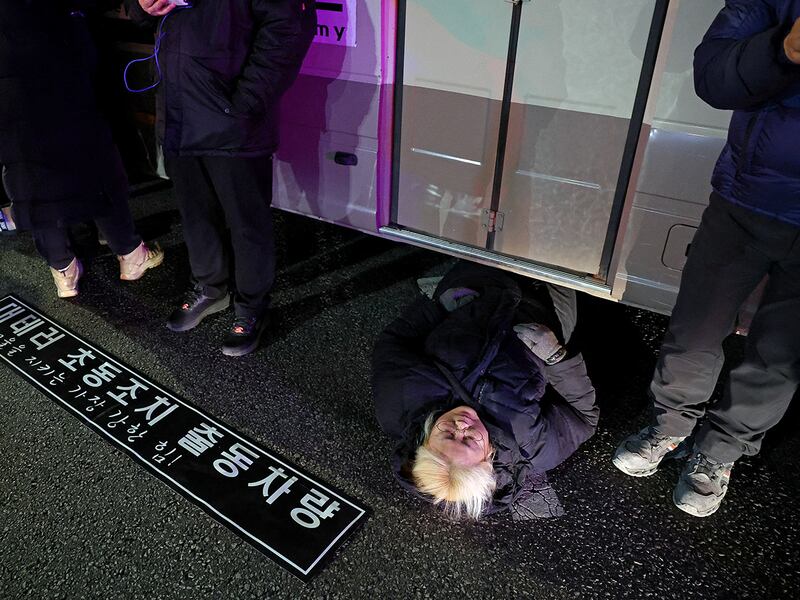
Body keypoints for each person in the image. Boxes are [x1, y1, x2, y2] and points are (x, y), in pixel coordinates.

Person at [613, 1, 800, 517]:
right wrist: (782, 48)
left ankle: (720, 453)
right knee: (694, 330)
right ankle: (670, 427)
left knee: (781, 357)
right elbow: (713, 79)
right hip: (744, 198)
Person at [127, 0, 317, 356]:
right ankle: (209, 288)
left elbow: (289, 27)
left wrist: (244, 105)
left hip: (232, 119)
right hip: (180, 111)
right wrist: (140, 6)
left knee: (247, 222)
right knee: (195, 214)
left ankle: (252, 306)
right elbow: (138, 11)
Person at [372, 262, 598, 521]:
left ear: (426, 441)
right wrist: (556, 357)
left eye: (447, 434)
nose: (461, 426)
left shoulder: (398, 405)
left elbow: (392, 344)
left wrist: (438, 308)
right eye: (469, 441)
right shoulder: (535, 449)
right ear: (487, 459)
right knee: (571, 251)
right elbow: (583, 418)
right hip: (546, 303)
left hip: (477, 281)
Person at [0, 2, 164, 298]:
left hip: (9, 77)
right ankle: (130, 253)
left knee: (28, 172)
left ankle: (63, 270)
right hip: (55, 61)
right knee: (95, 162)